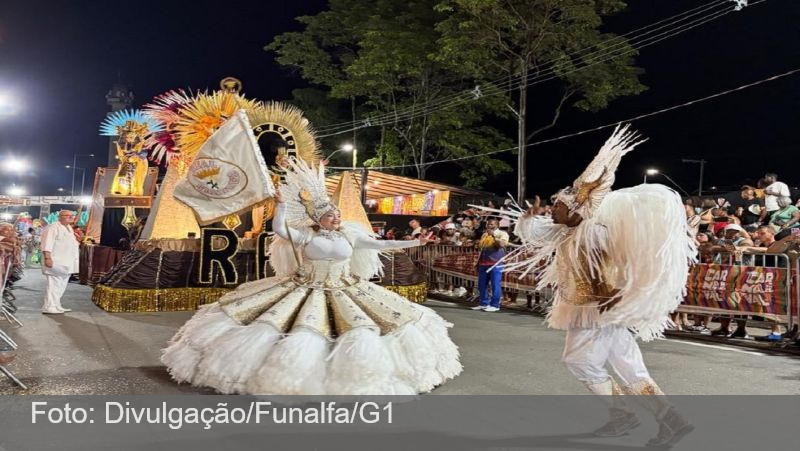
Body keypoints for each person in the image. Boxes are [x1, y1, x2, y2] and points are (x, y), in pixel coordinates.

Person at [162, 158, 462, 395]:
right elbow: (280, 230)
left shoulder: (350, 235)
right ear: (319, 219)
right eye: (331, 216)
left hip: (346, 288)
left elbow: (381, 245)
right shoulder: (305, 236)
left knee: (363, 327)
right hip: (305, 286)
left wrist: (415, 242)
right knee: (293, 328)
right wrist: (280, 204)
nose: (337, 218)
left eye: (337, 215)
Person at [506, 126, 696, 446]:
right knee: (630, 368)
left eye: (558, 205)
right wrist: (527, 218)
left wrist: (608, 296)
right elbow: (536, 234)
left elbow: (604, 266)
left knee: (578, 361)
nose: (553, 209)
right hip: (601, 308)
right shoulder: (571, 229)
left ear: (575, 209)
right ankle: (671, 419)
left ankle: (623, 414)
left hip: (594, 307)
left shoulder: (592, 231)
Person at [39, 210, 80, 314]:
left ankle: (56, 305)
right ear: (60, 217)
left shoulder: (69, 227)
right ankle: (49, 306)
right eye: (67, 215)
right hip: (55, 261)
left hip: (67, 261)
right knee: (54, 284)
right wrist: (47, 258)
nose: (71, 217)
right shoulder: (52, 227)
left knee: (61, 285)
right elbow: (47, 243)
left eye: (72, 215)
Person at [471, 218, 509, 312]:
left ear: (497, 225)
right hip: (483, 263)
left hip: (496, 263)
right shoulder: (484, 234)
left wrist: (493, 236)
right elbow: (481, 249)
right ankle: (483, 303)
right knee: (482, 284)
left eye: (491, 224)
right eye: (488, 224)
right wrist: (478, 262)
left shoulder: (502, 234)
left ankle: (495, 305)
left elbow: (501, 245)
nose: (489, 226)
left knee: (495, 284)